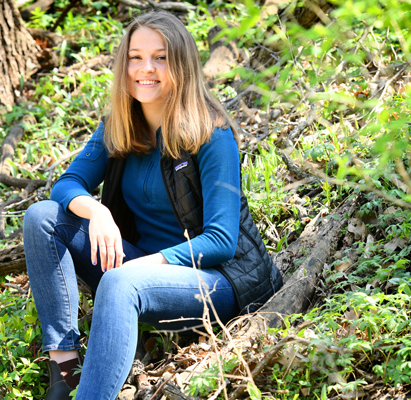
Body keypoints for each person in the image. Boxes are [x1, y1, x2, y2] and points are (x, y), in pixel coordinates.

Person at [22, 10, 283, 400]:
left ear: (181, 64)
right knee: (41, 217)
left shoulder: (211, 134)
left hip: (218, 280)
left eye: (160, 57)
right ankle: (64, 373)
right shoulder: (120, 125)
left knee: (120, 280)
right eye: (135, 57)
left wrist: (146, 265)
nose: (146, 68)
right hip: (141, 272)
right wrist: (97, 211)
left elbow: (222, 241)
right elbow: (68, 184)